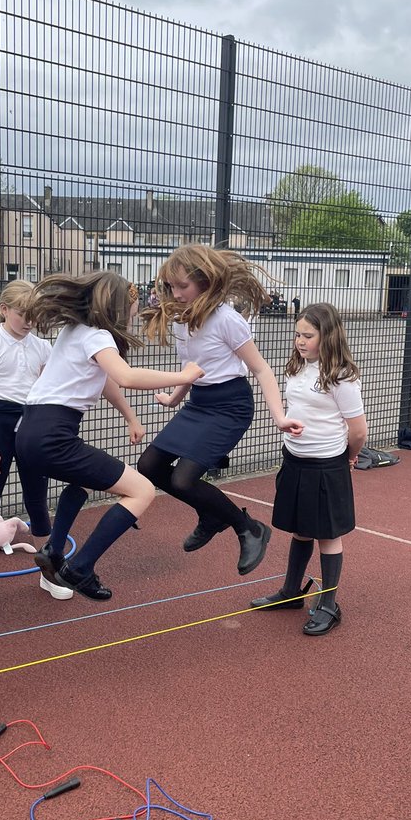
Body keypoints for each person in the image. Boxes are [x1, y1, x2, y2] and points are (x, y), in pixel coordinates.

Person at [15, 271, 204, 601]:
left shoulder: (74, 331)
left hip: (28, 433)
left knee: (85, 480)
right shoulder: (98, 336)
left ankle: (53, 551)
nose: (134, 314)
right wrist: (183, 375)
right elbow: (126, 376)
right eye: (131, 308)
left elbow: (105, 381)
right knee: (142, 491)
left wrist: (130, 417)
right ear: (117, 306)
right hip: (52, 436)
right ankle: (80, 568)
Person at [138, 245, 304, 575]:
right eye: (171, 286)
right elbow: (193, 367)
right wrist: (174, 397)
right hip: (199, 403)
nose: (176, 293)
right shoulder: (182, 320)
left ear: (204, 281)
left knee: (184, 480)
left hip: (230, 406)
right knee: (149, 465)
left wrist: (280, 416)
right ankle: (212, 514)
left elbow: (261, 369)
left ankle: (248, 528)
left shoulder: (228, 320)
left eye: (182, 286)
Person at [250, 302, 367, 635]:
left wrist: (348, 456)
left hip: (327, 464)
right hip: (294, 460)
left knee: (328, 536)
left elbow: (358, 430)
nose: (300, 341)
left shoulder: (342, 376)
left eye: (308, 335)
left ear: (327, 336)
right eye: (297, 334)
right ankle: (290, 593)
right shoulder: (297, 367)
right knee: (300, 529)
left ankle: (329, 604)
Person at [0, 279, 69, 619]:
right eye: (22, 313)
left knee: (37, 503)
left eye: (34, 314)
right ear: (4, 310)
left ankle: (47, 575)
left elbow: (49, 394)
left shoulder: (42, 348)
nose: (29, 320)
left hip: (31, 425)